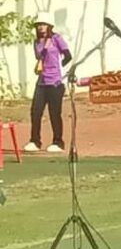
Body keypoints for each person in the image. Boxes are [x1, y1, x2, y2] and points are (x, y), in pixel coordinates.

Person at [27, 13, 71, 153]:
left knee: (54, 113)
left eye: (43, 24)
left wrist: (60, 69)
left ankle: (58, 142)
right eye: (39, 25)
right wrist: (44, 49)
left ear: (49, 26)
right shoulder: (36, 42)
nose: (41, 27)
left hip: (55, 83)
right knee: (35, 112)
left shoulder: (56, 38)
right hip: (41, 82)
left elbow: (68, 55)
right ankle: (35, 141)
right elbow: (39, 57)